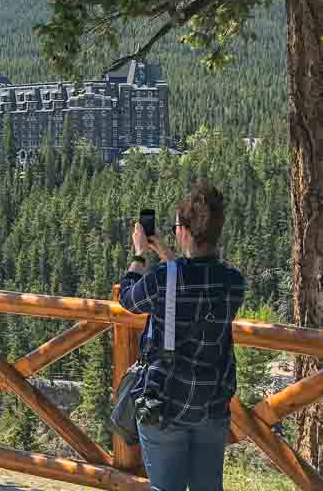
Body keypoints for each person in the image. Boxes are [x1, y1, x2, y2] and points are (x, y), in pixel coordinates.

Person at [119, 180, 245, 491]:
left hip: (165, 404)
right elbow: (195, 282)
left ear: (185, 233)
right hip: (212, 402)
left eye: (177, 226)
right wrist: (166, 254)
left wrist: (139, 255)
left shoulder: (165, 279)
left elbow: (129, 300)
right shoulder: (233, 283)